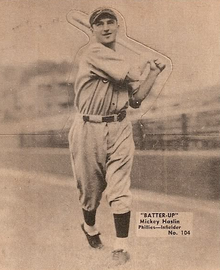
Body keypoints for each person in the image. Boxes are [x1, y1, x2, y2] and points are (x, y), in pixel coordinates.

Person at [68, 7, 166, 267]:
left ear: (117, 27)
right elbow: (132, 72)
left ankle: (120, 247)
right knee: (90, 192)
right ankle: (89, 228)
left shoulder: (120, 59)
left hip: (120, 126)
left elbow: (135, 99)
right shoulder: (92, 53)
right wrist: (147, 60)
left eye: (111, 22)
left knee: (120, 189)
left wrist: (154, 74)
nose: (106, 27)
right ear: (93, 30)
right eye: (100, 24)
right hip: (89, 128)